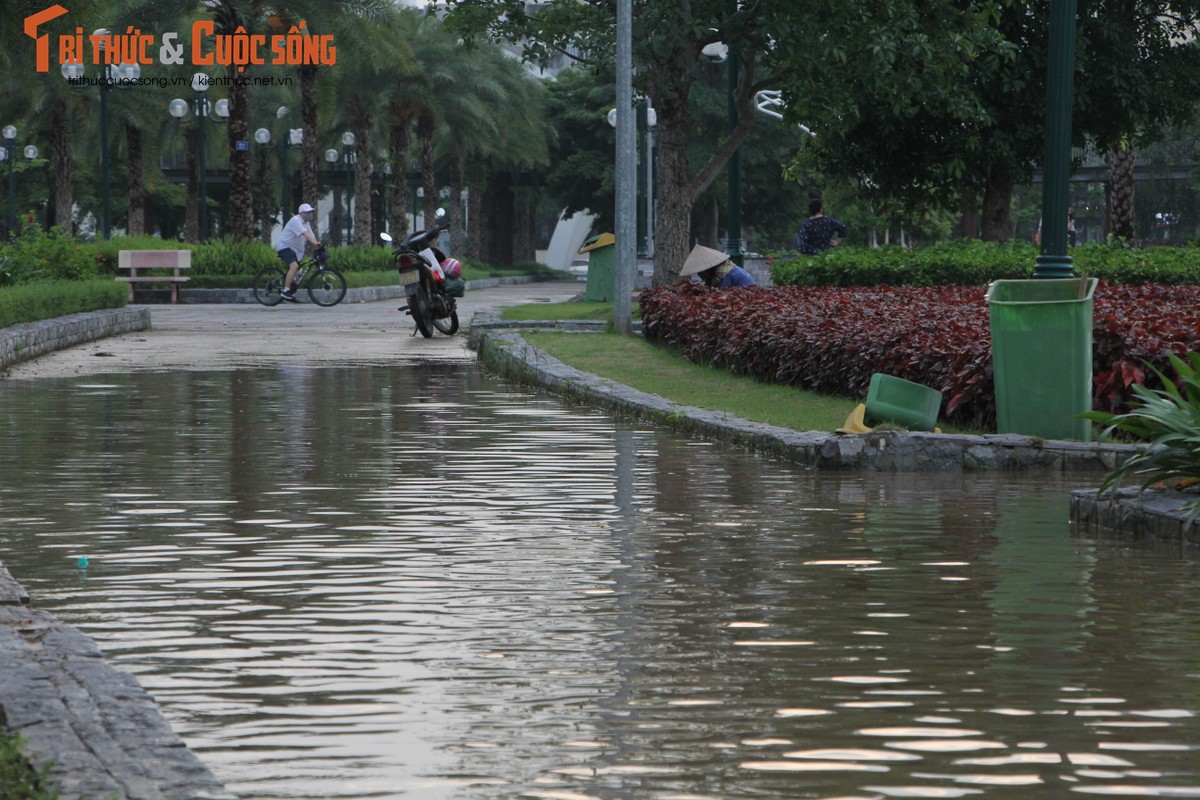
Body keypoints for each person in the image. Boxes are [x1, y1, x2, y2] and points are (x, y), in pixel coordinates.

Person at [276, 203, 322, 302]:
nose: (310, 214)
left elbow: (311, 235)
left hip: (296, 250)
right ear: (301, 213)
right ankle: (286, 290)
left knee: (296, 271)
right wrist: (314, 243)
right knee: (294, 267)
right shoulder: (296, 221)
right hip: (285, 247)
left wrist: (318, 243)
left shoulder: (306, 223)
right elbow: (305, 234)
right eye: (307, 212)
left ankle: (290, 294)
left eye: (311, 212)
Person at [677, 244, 756, 288]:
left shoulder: (726, 274)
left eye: (700, 271)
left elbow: (720, 296)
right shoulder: (722, 272)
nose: (698, 275)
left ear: (708, 269)